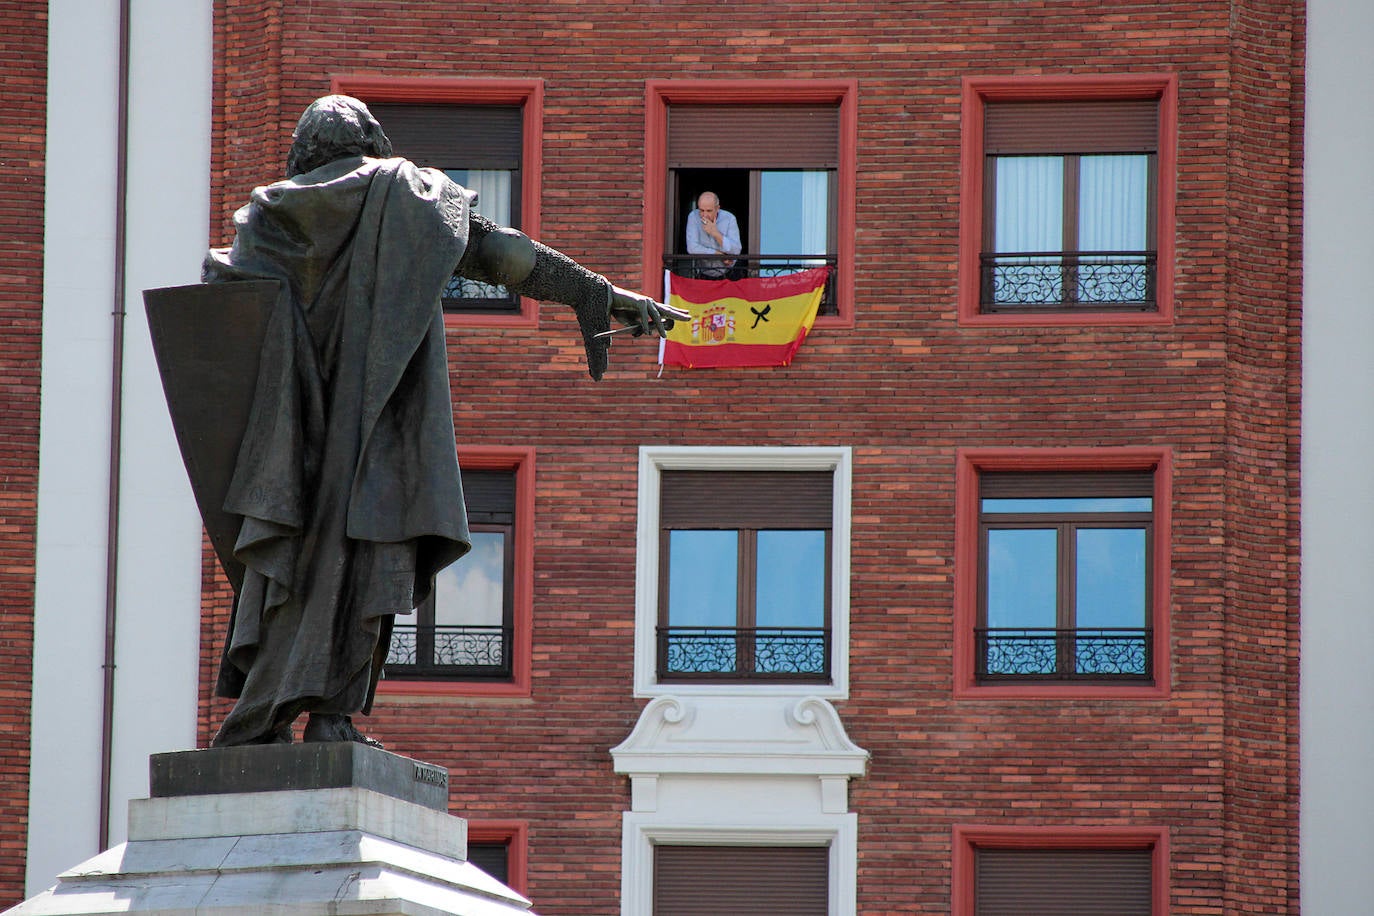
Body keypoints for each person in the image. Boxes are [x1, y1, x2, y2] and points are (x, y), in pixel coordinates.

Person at [199, 95, 683, 747]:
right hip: (377, 433)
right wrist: (598, 293)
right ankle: (324, 717)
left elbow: (219, 310)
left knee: (291, 564)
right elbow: (497, 254)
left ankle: (296, 717)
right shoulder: (406, 192)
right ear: (371, 139)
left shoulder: (265, 214)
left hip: (286, 445)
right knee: (370, 558)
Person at [684, 191, 742, 278]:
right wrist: (719, 255)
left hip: (729, 273)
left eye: (709, 211)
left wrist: (715, 233)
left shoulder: (729, 218)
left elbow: (736, 250)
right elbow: (692, 248)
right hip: (703, 274)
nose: (705, 215)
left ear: (717, 208)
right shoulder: (693, 217)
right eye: (701, 210)